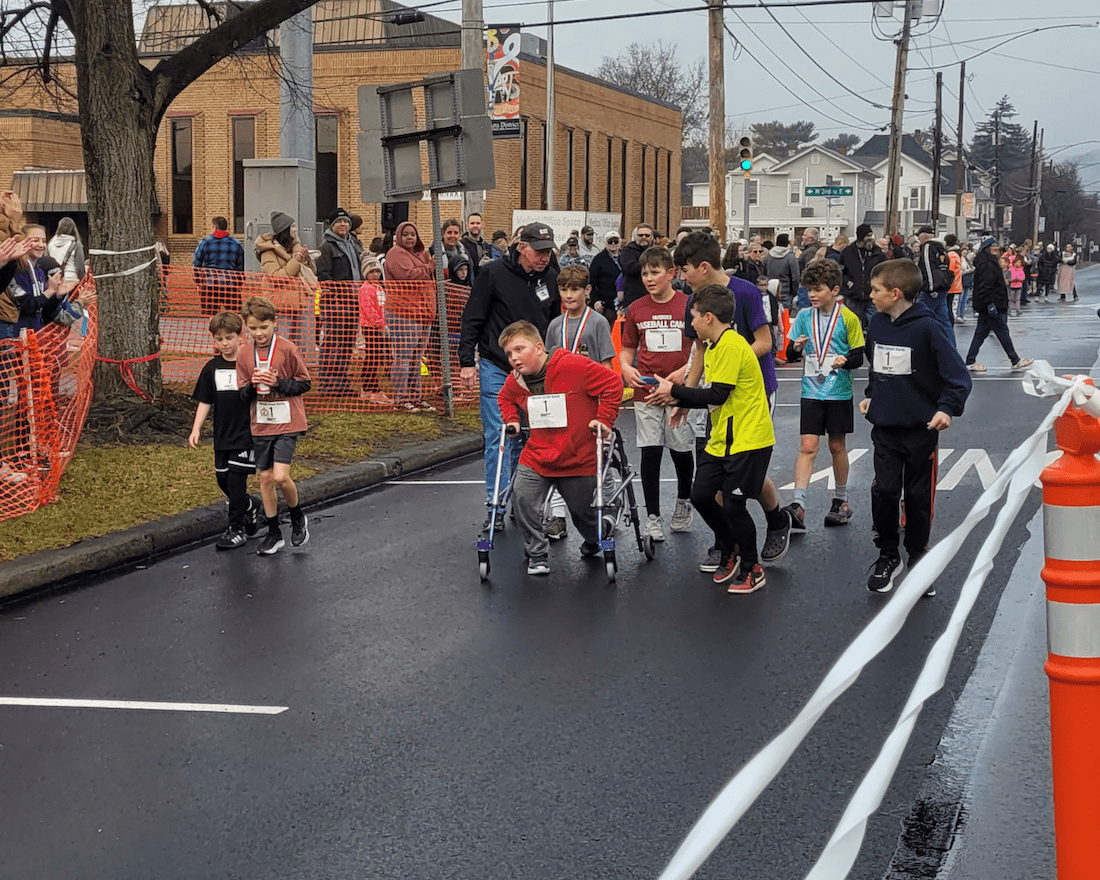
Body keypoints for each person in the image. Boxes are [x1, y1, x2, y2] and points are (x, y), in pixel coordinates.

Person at [668, 231, 787, 569]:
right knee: (715, 467)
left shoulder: (746, 292)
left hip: (753, 389)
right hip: (717, 392)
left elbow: (764, 341)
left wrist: (732, 366)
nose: (681, 276)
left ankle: (776, 518)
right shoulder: (696, 302)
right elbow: (699, 351)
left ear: (703, 267)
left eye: (684, 269)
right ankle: (727, 541)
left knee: (746, 465)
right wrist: (686, 398)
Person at [651, 285, 777, 593]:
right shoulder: (714, 345)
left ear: (708, 317)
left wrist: (676, 392)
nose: (690, 324)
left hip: (748, 438)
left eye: (693, 318)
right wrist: (680, 401)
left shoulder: (733, 345)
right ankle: (731, 546)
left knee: (734, 505)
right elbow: (712, 396)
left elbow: (719, 394)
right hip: (722, 437)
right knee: (701, 497)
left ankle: (752, 567)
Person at [859, 259, 972, 595]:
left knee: (919, 497)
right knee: (884, 491)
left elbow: (957, 377)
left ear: (895, 293)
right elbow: (877, 367)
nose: (871, 295)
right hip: (885, 428)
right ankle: (887, 554)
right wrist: (871, 396)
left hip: (921, 429)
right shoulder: (877, 324)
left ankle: (919, 558)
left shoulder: (928, 328)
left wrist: (946, 409)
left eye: (876, 290)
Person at [497, 320, 623, 576]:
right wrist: (511, 419)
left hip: (577, 456)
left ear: (539, 347)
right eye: (509, 354)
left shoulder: (573, 366)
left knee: (583, 516)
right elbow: (505, 397)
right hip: (538, 456)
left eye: (519, 349)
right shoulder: (517, 380)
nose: (514, 358)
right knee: (521, 497)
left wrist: (604, 418)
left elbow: (613, 383)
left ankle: (601, 530)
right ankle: (537, 554)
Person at [459, 222, 561, 530]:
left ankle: (523, 501)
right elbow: (472, 317)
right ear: (522, 248)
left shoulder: (551, 278)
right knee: (500, 437)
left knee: (532, 438)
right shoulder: (493, 274)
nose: (544, 257)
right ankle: (497, 504)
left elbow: (555, 323)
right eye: (539, 252)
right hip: (496, 365)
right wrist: (467, 361)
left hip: (537, 371)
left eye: (548, 252)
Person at [619, 246, 696, 541]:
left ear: (671, 274)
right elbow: (628, 348)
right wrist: (626, 368)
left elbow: (702, 346)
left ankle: (683, 500)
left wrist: (686, 373)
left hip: (679, 391)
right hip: (647, 390)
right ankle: (653, 516)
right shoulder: (636, 308)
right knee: (650, 451)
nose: (649, 278)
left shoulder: (688, 305)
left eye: (655, 272)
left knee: (680, 448)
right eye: (645, 273)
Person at [782, 259, 865, 531]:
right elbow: (791, 354)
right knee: (808, 446)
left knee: (837, 446)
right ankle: (798, 504)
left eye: (817, 290)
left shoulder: (848, 318)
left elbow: (858, 356)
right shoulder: (805, 316)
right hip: (811, 390)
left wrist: (845, 360)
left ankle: (841, 499)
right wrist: (795, 348)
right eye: (809, 290)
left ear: (835, 289)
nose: (812, 295)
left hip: (838, 392)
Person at [543, 264, 618, 540]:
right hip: (562, 404)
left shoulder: (597, 322)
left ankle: (609, 502)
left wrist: (605, 407)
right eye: (564, 289)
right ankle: (558, 516)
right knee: (557, 459)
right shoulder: (554, 325)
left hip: (590, 402)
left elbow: (606, 365)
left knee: (599, 457)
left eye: (575, 289)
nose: (569, 295)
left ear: (587, 291)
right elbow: (548, 365)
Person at [236, 295, 313, 556]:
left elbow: (304, 382)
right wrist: (252, 386)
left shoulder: (287, 349)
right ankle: (273, 532)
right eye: (253, 328)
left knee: (280, 476)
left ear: (274, 323)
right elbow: (241, 393)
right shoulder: (244, 354)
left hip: (288, 420)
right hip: (261, 423)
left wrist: (278, 382)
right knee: (266, 478)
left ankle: (297, 515)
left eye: (264, 327)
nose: (259, 333)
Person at [187, 311, 262, 550]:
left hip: (247, 434)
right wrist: (196, 429)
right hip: (223, 434)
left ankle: (236, 529)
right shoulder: (212, 368)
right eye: (219, 339)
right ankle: (250, 506)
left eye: (229, 338)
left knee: (237, 480)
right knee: (223, 479)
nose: (225, 344)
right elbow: (205, 401)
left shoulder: (250, 363)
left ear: (240, 336)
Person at [384, 221, 437, 412]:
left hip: (423, 312)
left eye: (412, 234)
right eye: (405, 234)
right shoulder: (395, 253)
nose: (409, 238)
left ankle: (415, 396)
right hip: (403, 312)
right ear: (399, 236)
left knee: (417, 357)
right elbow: (407, 274)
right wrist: (430, 266)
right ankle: (400, 398)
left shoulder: (422, 254)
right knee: (403, 357)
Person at [963, 238, 1034, 374]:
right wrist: (990, 304)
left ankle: (970, 360)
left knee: (981, 333)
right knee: (1002, 332)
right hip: (992, 304)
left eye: (996, 245)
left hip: (990, 304)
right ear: (986, 248)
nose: (996, 248)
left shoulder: (988, 262)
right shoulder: (987, 264)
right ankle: (1015, 360)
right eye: (992, 246)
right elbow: (985, 286)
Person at [315, 207, 362, 395]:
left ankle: (341, 380)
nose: (343, 225)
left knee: (347, 343)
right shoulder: (326, 247)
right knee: (333, 342)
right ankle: (327, 382)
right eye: (339, 222)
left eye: (346, 222)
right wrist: (336, 293)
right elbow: (323, 275)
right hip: (336, 303)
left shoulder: (356, 245)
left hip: (355, 302)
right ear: (332, 225)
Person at [254, 210, 318, 348]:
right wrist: (297, 260)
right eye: (292, 227)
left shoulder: (294, 248)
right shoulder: (268, 252)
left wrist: (305, 259)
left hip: (300, 302)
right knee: (281, 345)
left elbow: (309, 272)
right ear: (284, 230)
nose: (295, 230)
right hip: (281, 305)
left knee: (300, 345)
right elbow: (277, 278)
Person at [357, 257, 392, 405]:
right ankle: (373, 389)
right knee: (373, 357)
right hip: (371, 327)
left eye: (378, 271)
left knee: (374, 357)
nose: (375, 274)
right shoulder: (365, 289)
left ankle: (367, 388)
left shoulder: (378, 288)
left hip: (379, 326)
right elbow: (368, 310)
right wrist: (380, 323)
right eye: (372, 271)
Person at [838, 223, 886, 330]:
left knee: (875, 323)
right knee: (852, 324)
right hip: (853, 295)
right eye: (867, 236)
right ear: (861, 237)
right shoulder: (848, 252)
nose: (870, 239)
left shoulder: (877, 253)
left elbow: (886, 269)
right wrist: (848, 283)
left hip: (873, 295)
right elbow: (840, 271)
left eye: (871, 236)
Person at [192, 216, 244, 314]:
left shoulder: (205, 243)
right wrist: (239, 283)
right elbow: (240, 267)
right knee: (233, 316)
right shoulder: (236, 244)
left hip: (210, 285)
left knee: (212, 316)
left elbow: (197, 264)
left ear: (215, 227)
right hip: (230, 285)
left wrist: (199, 282)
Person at [914, 224, 954, 336]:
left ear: (924, 235)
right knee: (944, 321)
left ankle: (916, 345)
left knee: (918, 316)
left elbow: (928, 269)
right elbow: (945, 267)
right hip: (942, 287)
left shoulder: (927, 247)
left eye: (919, 236)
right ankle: (950, 348)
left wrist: (932, 288)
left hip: (931, 289)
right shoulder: (941, 248)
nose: (918, 239)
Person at [618, 223, 656, 309]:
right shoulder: (628, 251)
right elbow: (630, 268)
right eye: (640, 235)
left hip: (653, 297)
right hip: (633, 298)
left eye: (647, 235)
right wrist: (651, 266)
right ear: (636, 237)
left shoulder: (656, 252)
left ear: (652, 237)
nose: (643, 237)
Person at [588, 231, 622, 322]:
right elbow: (591, 282)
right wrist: (596, 300)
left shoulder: (625, 257)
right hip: (607, 304)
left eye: (616, 241)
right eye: (610, 242)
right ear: (605, 243)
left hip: (624, 302)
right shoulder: (598, 259)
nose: (613, 244)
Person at [46, 217, 85, 295]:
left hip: (55, 281)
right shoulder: (76, 245)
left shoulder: (50, 243)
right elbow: (80, 268)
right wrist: (82, 282)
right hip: (72, 282)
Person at [764, 233, 800, 314]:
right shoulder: (790, 257)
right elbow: (795, 277)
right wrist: (793, 291)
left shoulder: (767, 256)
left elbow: (763, 273)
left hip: (770, 291)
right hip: (785, 292)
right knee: (785, 319)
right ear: (787, 243)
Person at [795, 227, 822, 310]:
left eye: (804, 235)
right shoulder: (813, 249)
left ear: (810, 239)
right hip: (807, 285)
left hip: (805, 286)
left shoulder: (810, 251)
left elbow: (809, 269)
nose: (802, 237)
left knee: (805, 310)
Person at [460, 212, 491, 277]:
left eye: (478, 223)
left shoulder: (486, 246)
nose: (475, 226)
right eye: (472, 223)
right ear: (467, 226)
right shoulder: (461, 245)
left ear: (482, 225)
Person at [944, 234, 964, 325]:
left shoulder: (951, 254)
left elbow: (950, 270)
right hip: (956, 284)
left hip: (951, 286)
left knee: (948, 309)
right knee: (949, 307)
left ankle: (949, 327)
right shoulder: (957, 253)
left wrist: (946, 282)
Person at [1004, 246, 1025, 317]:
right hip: (1012, 286)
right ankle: (1009, 309)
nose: (1019, 264)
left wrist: (1018, 278)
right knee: (1011, 299)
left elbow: (1023, 277)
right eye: (1018, 263)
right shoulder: (1011, 270)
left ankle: (1018, 309)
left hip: (1019, 285)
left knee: (1018, 299)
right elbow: (1010, 277)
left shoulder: (1021, 269)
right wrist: (1013, 279)